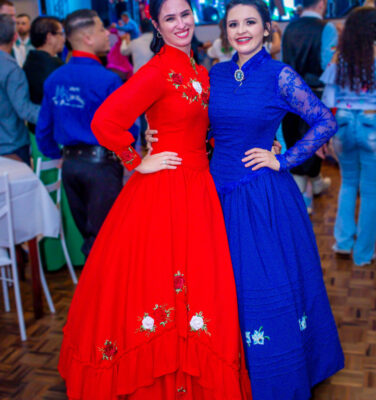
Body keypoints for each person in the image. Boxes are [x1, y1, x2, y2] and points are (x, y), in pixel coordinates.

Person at [57, 0, 251, 398]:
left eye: (185, 15)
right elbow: (104, 121)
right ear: (157, 27)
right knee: (162, 284)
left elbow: (206, 128)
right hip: (166, 189)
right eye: (170, 18)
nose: (180, 24)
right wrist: (137, 160)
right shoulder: (157, 71)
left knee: (198, 286)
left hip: (199, 188)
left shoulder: (200, 71)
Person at [208, 0, 344, 397]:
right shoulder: (215, 73)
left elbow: (325, 121)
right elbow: (202, 126)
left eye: (250, 22)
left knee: (262, 283)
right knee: (222, 284)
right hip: (214, 193)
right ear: (225, 31)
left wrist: (283, 159)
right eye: (234, 24)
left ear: (267, 28)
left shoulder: (279, 75)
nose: (241, 30)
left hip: (260, 196)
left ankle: (274, 374)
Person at [35, 10, 124, 259]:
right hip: (102, 169)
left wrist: (58, 155)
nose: (107, 34)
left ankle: (93, 283)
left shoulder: (54, 79)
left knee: (90, 241)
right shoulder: (107, 80)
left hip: (71, 167)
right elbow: (126, 128)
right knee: (107, 241)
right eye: (101, 29)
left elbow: (43, 130)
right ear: (87, 38)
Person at [321, 7, 376, 265]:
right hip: (373, 125)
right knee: (369, 192)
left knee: (347, 184)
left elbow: (329, 99)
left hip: (343, 123)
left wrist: (324, 136)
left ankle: (343, 242)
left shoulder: (339, 57)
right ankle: (364, 253)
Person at [282, 0, 338, 212]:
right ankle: (303, 202)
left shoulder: (289, 28)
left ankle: (314, 184)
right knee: (314, 143)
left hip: (289, 95)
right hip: (316, 96)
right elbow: (328, 66)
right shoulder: (327, 28)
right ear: (322, 4)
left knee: (295, 140)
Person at [0, 14, 39, 164]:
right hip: (11, 145)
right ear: (15, 37)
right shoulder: (11, 69)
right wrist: (56, 113)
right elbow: (25, 110)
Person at [23, 16, 65, 129]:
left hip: (35, 127)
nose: (63, 39)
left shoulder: (30, 60)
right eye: (61, 34)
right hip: (53, 129)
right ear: (49, 37)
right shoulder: (55, 67)